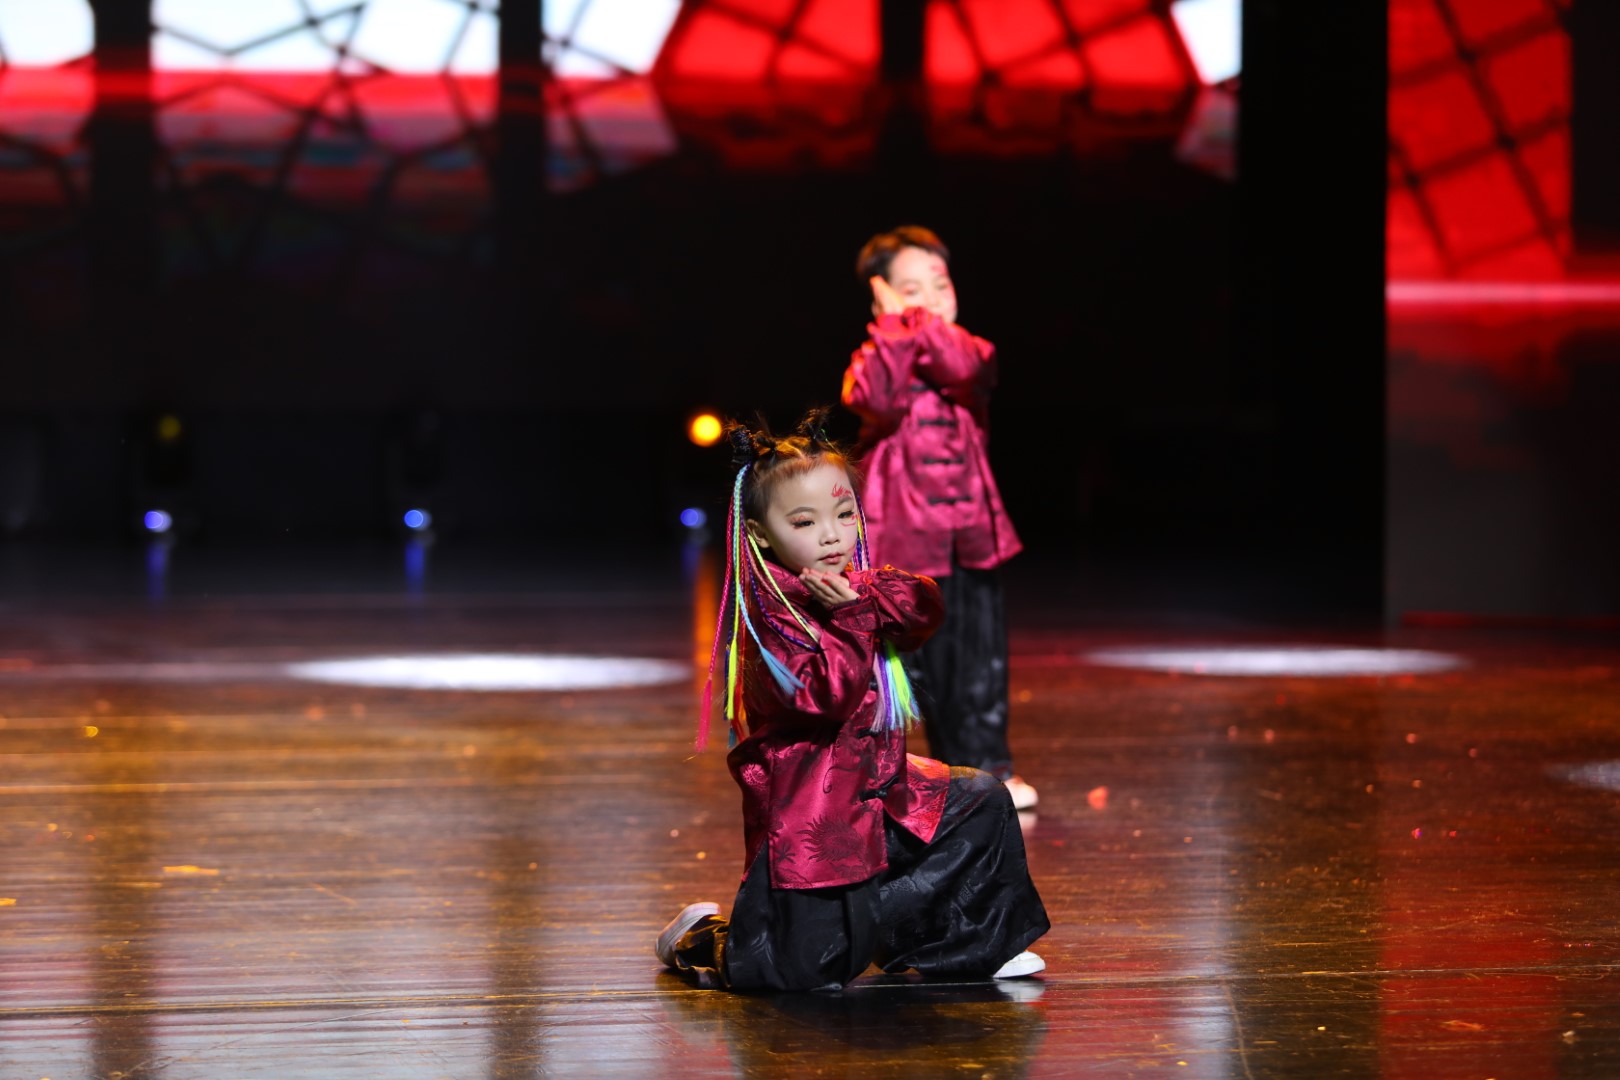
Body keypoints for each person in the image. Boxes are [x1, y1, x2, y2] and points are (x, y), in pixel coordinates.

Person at [656, 411, 1048, 992]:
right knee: (796, 971)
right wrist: (851, 618)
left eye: (844, 514)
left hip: (887, 794)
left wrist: (860, 601)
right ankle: (700, 935)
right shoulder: (769, 622)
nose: (832, 535)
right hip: (814, 820)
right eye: (805, 521)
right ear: (760, 533)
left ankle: (972, 946)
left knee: (983, 801)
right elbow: (827, 695)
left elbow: (922, 609)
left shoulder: (850, 588)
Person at [840, 225, 1036, 810]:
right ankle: (880, 781)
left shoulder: (971, 350)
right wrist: (895, 327)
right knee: (896, 669)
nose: (929, 298)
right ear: (882, 299)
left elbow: (964, 368)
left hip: (967, 534)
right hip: (899, 535)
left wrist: (913, 319)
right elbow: (877, 399)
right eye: (911, 290)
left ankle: (985, 772)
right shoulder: (876, 355)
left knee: (976, 660)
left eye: (940, 284)